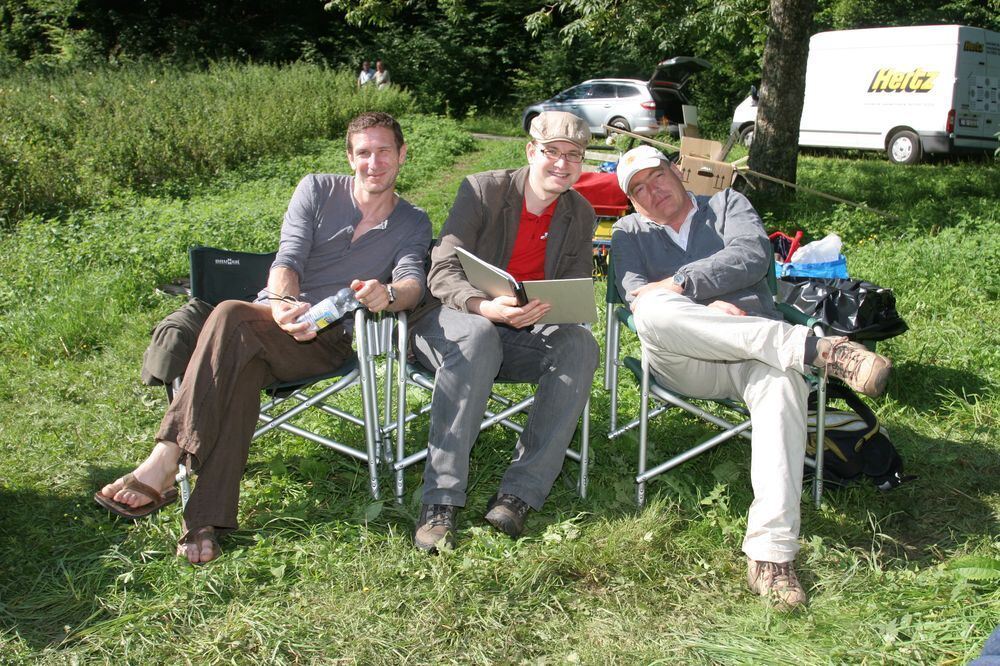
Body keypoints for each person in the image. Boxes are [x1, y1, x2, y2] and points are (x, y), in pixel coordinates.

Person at [95, 112, 432, 564]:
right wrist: (281, 305)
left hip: (323, 341)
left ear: (402, 154)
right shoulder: (316, 189)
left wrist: (386, 293)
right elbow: (287, 257)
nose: (374, 162)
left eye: (384, 151)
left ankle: (165, 458)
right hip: (270, 317)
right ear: (350, 157)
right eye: (364, 152)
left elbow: (413, 283)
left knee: (230, 315)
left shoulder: (413, 221)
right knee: (240, 360)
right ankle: (204, 522)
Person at [610, 145, 893, 609]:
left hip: (755, 356)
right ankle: (817, 350)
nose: (651, 191)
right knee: (653, 310)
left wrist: (682, 285)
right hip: (686, 364)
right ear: (631, 202)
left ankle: (772, 556)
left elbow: (752, 256)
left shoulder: (726, 205)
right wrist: (693, 304)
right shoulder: (629, 231)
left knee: (783, 383)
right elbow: (637, 295)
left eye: (656, 176)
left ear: (677, 173)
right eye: (637, 189)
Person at [410, 111, 599, 553]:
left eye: (574, 155)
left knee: (578, 345)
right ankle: (440, 501)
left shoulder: (580, 212)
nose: (562, 163)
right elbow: (442, 270)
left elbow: (571, 285)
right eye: (552, 151)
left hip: (520, 330)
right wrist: (482, 305)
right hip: (452, 321)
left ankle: (520, 494)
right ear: (531, 151)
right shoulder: (482, 191)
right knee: (477, 335)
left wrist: (545, 309)